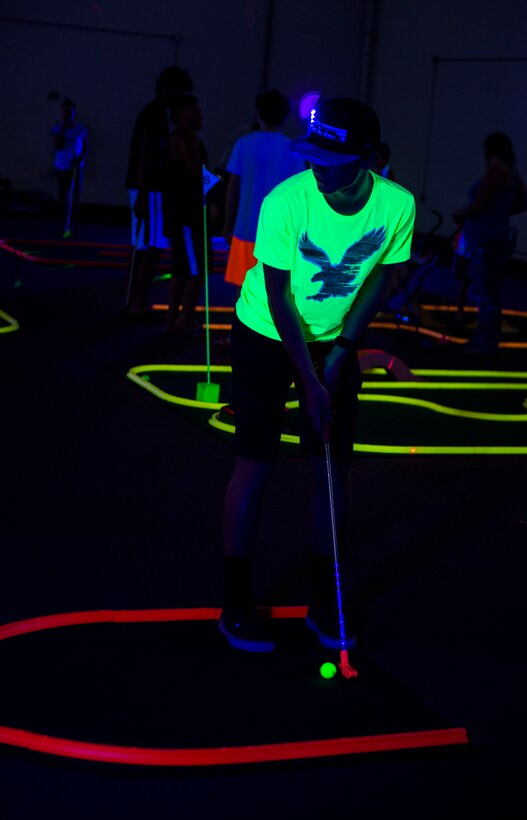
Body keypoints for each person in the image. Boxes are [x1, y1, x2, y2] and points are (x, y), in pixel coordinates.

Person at [219, 98, 416, 652]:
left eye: (333, 160)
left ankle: (323, 605)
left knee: (331, 473)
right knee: (254, 467)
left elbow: (384, 275)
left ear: (370, 158)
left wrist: (344, 349)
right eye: (312, 157)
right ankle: (235, 602)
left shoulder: (396, 205)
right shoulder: (288, 200)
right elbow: (278, 293)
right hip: (264, 334)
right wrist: (310, 378)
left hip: (333, 343)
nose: (318, 169)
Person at [124, 65, 193, 317]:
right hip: (149, 188)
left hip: (146, 187)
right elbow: (147, 154)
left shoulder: (155, 113)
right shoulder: (154, 114)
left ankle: (132, 300)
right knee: (152, 246)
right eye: (181, 91)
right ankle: (136, 303)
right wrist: (143, 193)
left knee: (144, 244)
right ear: (171, 88)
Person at [222, 90, 306, 291]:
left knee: (243, 291)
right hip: (278, 230)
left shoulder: (244, 143)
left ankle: (242, 323)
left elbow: (233, 188)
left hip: (245, 228)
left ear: (258, 113)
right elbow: (299, 195)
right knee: (275, 290)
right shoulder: (292, 149)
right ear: (285, 116)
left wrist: (227, 224)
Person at [452, 132, 527, 354]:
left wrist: (459, 212)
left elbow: (479, 204)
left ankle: (485, 342)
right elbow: (522, 201)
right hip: (498, 234)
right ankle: (486, 338)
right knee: (490, 289)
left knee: (485, 291)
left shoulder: (496, 170)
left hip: (486, 236)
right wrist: (501, 212)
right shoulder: (512, 171)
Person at [162, 95, 213, 335]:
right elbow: (197, 172)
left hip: (183, 213)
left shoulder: (182, 136)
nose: (200, 115)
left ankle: (174, 320)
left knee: (183, 268)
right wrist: (222, 185)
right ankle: (183, 320)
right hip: (187, 215)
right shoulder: (185, 135)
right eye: (195, 111)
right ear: (182, 114)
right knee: (196, 269)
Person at [50, 98, 89, 237]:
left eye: (69, 111)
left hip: (76, 167)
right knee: (62, 197)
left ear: (74, 112)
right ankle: (61, 225)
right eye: (64, 111)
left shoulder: (81, 128)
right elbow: (57, 145)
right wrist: (63, 128)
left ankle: (71, 227)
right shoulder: (57, 127)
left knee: (75, 197)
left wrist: (80, 158)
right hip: (61, 167)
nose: (67, 114)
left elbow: (86, 146)